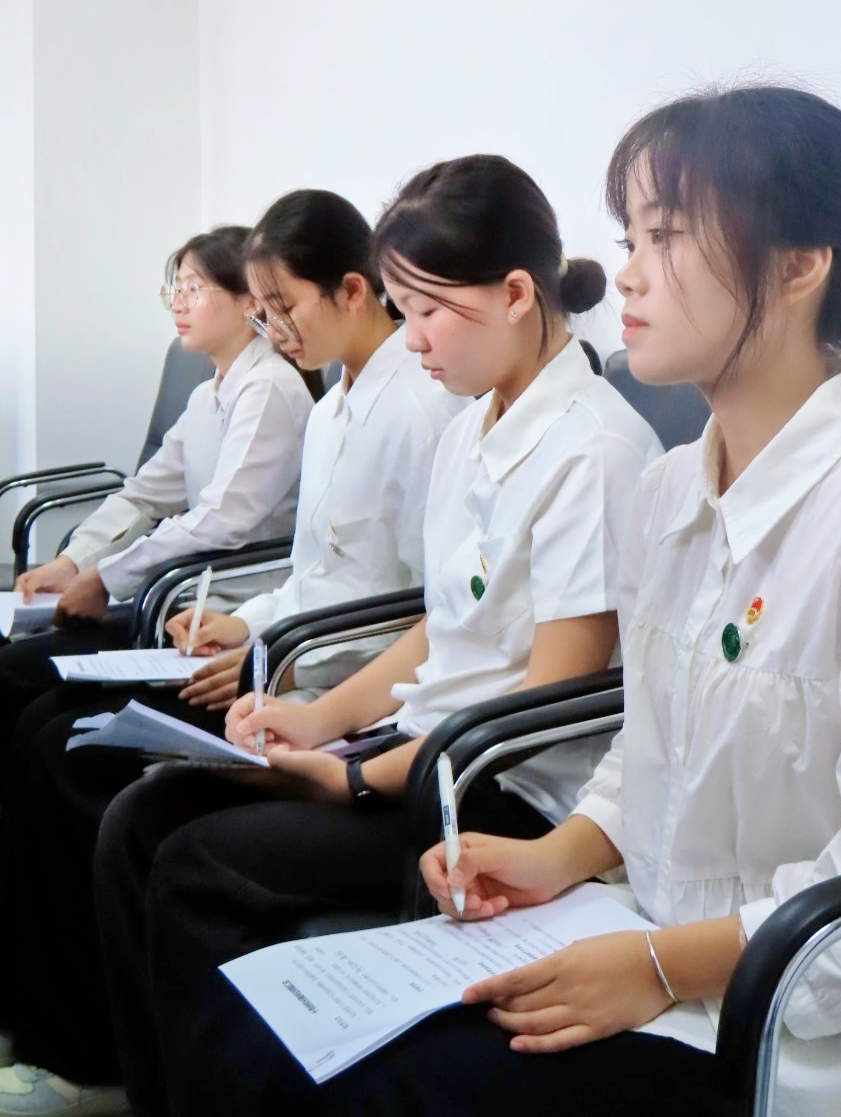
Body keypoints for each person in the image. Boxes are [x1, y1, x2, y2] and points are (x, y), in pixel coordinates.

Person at [198, 88, 841, 1117]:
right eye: (630, 239)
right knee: (282, 1033)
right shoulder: (669, 494)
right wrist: (554, 859)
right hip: (669, 944)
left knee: (377, 1081)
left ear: (799, 265)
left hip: (833, 1030)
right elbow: (655, 745)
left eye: (667, 237)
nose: (627, 274)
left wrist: (660, 966)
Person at [86, 154, 662, 1117]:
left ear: (517, 295)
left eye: (429, 309)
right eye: (404, 306)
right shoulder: (472, 426)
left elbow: (545, 700)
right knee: (146, 814)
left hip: (497, 790)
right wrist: (321, 726)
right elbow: (441, 626)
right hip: (423, 750)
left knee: (193, 865)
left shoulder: (594, 452)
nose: (413, 336)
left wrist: (354, 777)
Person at [0, 189, 469, 1116]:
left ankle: (96, 1050)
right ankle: (65, 1025)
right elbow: (310, 572)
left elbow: (423, 608)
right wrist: (241, 624)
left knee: (70, 755)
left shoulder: (424, 411)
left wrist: (276, 656)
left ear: (351, 290)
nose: (274, 331)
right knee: (48, 726)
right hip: (283, 659)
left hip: (336, 683)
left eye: (282, 308)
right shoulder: (335, 406)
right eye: (263, 313)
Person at [0, 227, 312, 766]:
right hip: (178, 600)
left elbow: (221, 520)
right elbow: (144, 494)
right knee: (22, 681)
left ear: (248, 301)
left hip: (226, 609)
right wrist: (74, 562)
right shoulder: (208, 394)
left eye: (194, 288)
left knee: (34, 705)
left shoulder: (268, 389)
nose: (179, 304)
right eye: (176, 289)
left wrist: (106, 577)